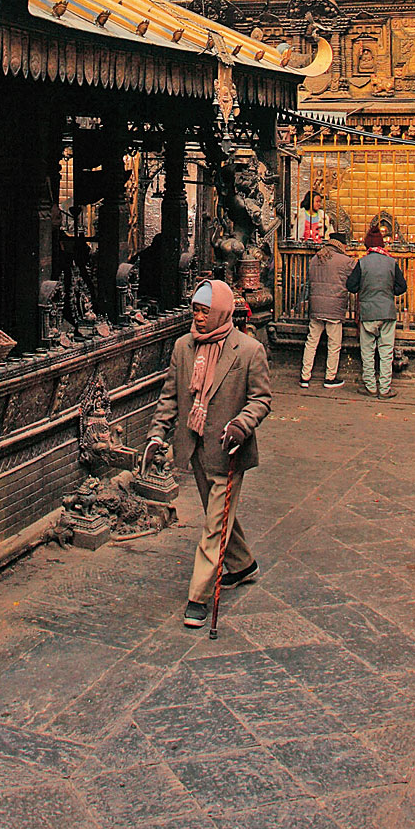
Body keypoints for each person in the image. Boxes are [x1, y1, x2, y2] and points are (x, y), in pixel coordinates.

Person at [145, 277, 272, 629]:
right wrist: (158, 435)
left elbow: (261, 399)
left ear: (222, 311)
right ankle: (243, 565)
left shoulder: (248, 350)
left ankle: (197, 597)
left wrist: (241, 426)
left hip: (229, 451)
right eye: (196, 310)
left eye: (206, 311)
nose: (199, 318)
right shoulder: (184, 347)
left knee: (214, 525)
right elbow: (170, 398)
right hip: (194, 448)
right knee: (220, 514)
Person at [345, 222, 407, 398]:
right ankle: (385, 388)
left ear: (367, 245)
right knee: (386, 351)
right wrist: (388, 292)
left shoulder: (362, 263)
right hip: (387, 311)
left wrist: (364, 288)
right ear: (382, 244)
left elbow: (351, 285)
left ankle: (370, 386)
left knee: (368, 351)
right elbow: (402, 287)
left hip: (368, 312)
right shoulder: (391, 262)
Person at [300, 229, 353, 389]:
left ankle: (305, 376)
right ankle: (330, 378)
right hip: (334, 307)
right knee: (334, 343)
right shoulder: (345, 261)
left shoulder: (316, 258)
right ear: (342, 245)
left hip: (316, 306)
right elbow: (356, 277)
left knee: (311, 341)